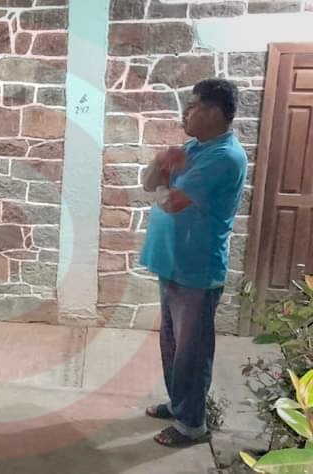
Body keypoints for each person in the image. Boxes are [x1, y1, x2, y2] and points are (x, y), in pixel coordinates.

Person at [140, 79, 247, 447]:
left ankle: (193, 425)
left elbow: (171, 202)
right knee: (172, 344)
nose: (184, 112)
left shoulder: (224, 158)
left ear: (214, 112)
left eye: (192, 105)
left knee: (193, 351)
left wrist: (162, 175)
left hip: (197, 271)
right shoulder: (195, 148)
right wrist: (159, 165)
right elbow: (149, 183)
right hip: (173, 263)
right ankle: (179, 404)